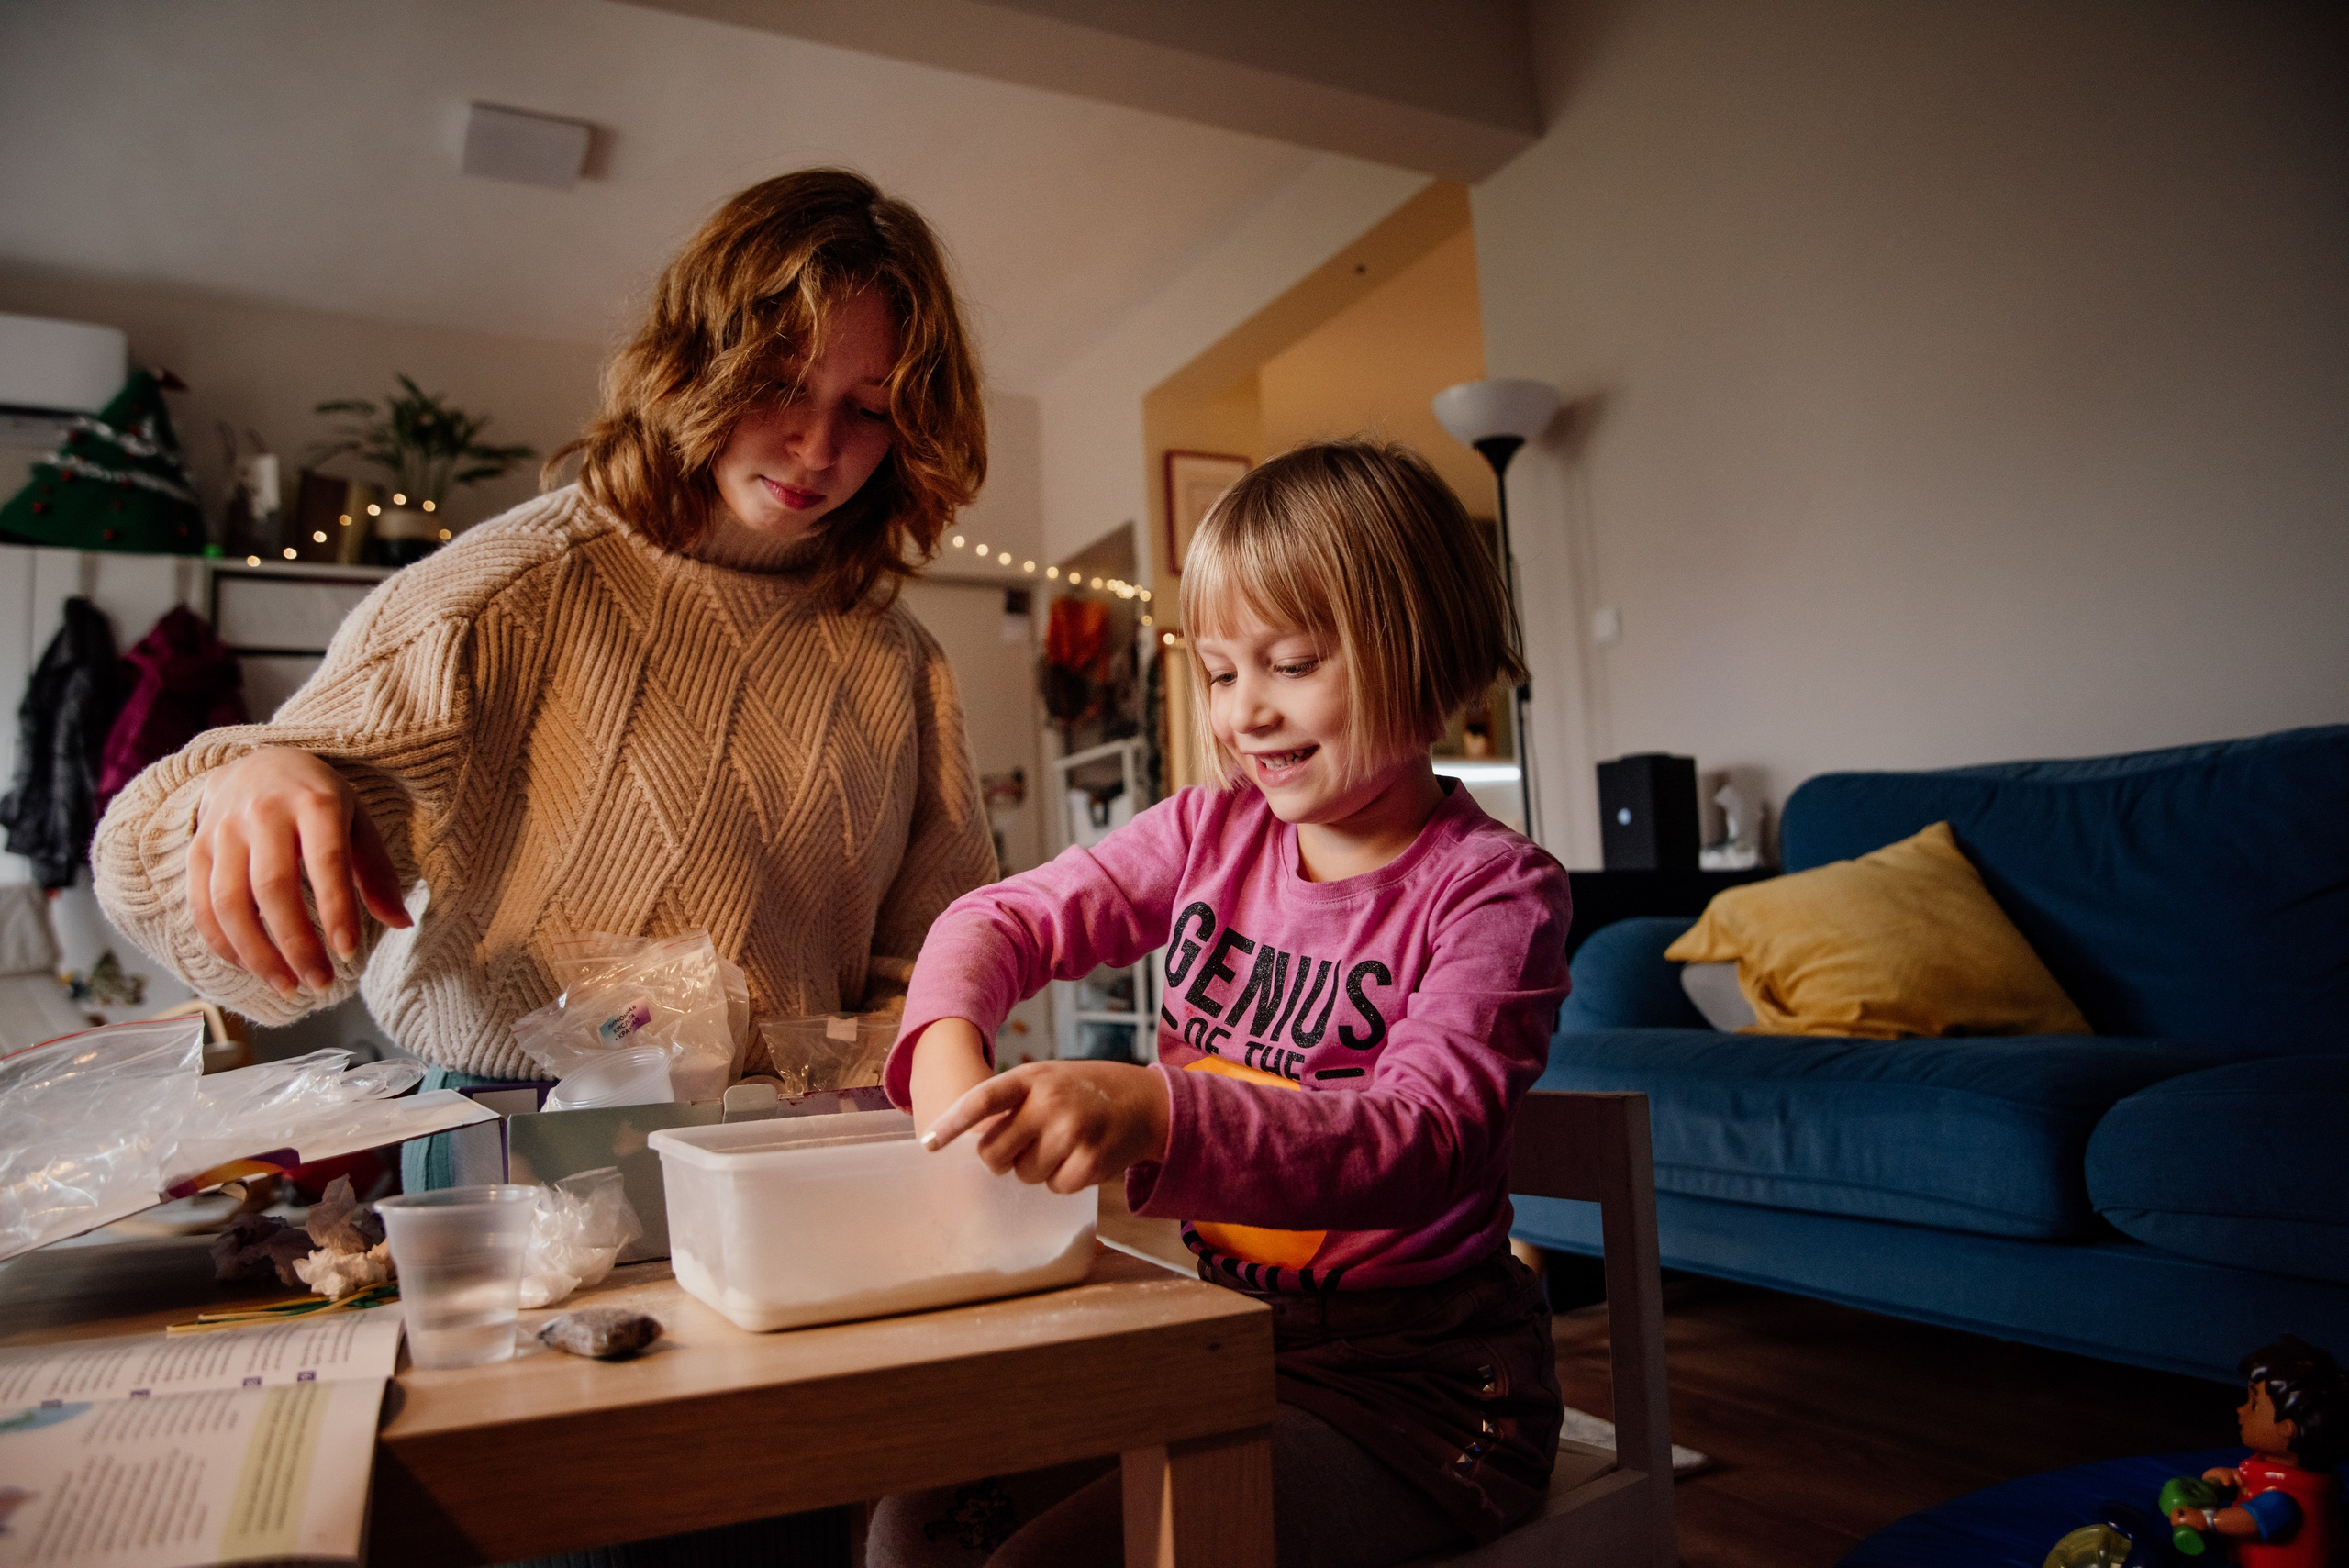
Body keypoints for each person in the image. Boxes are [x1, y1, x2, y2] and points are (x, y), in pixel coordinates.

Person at [93, 169, 1001, 1193]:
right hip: (506, 1160)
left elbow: (943, 946)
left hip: (796, 1157)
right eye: (782, 384)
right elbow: (183, 892)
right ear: (694, 363)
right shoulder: (503, 595)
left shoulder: (897, 657)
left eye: (868, 410)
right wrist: (238, 786)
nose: (818, 445)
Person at [871, 439, 1573, 1567]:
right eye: (1217, 672)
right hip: (1222, 1341)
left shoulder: (1493, 890)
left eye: (1289, 663)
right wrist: (950, 1065)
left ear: (1425, 648)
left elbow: (1425, 1137)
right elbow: (994, 920)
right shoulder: (1207, 832)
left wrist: (1156, 1109)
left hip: (1423, 1402)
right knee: (915, 1524)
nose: (1246, 711)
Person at [2168, 1336, 2343, 1567]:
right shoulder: (2281, 1470)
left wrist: (2206, 1519)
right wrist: (2234, 1477)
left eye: (2253, 1404)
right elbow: (2258, 1482)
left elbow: (2253, 1518)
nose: (2240, 1410)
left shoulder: (2287, 1498)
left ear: (2286, 1429)